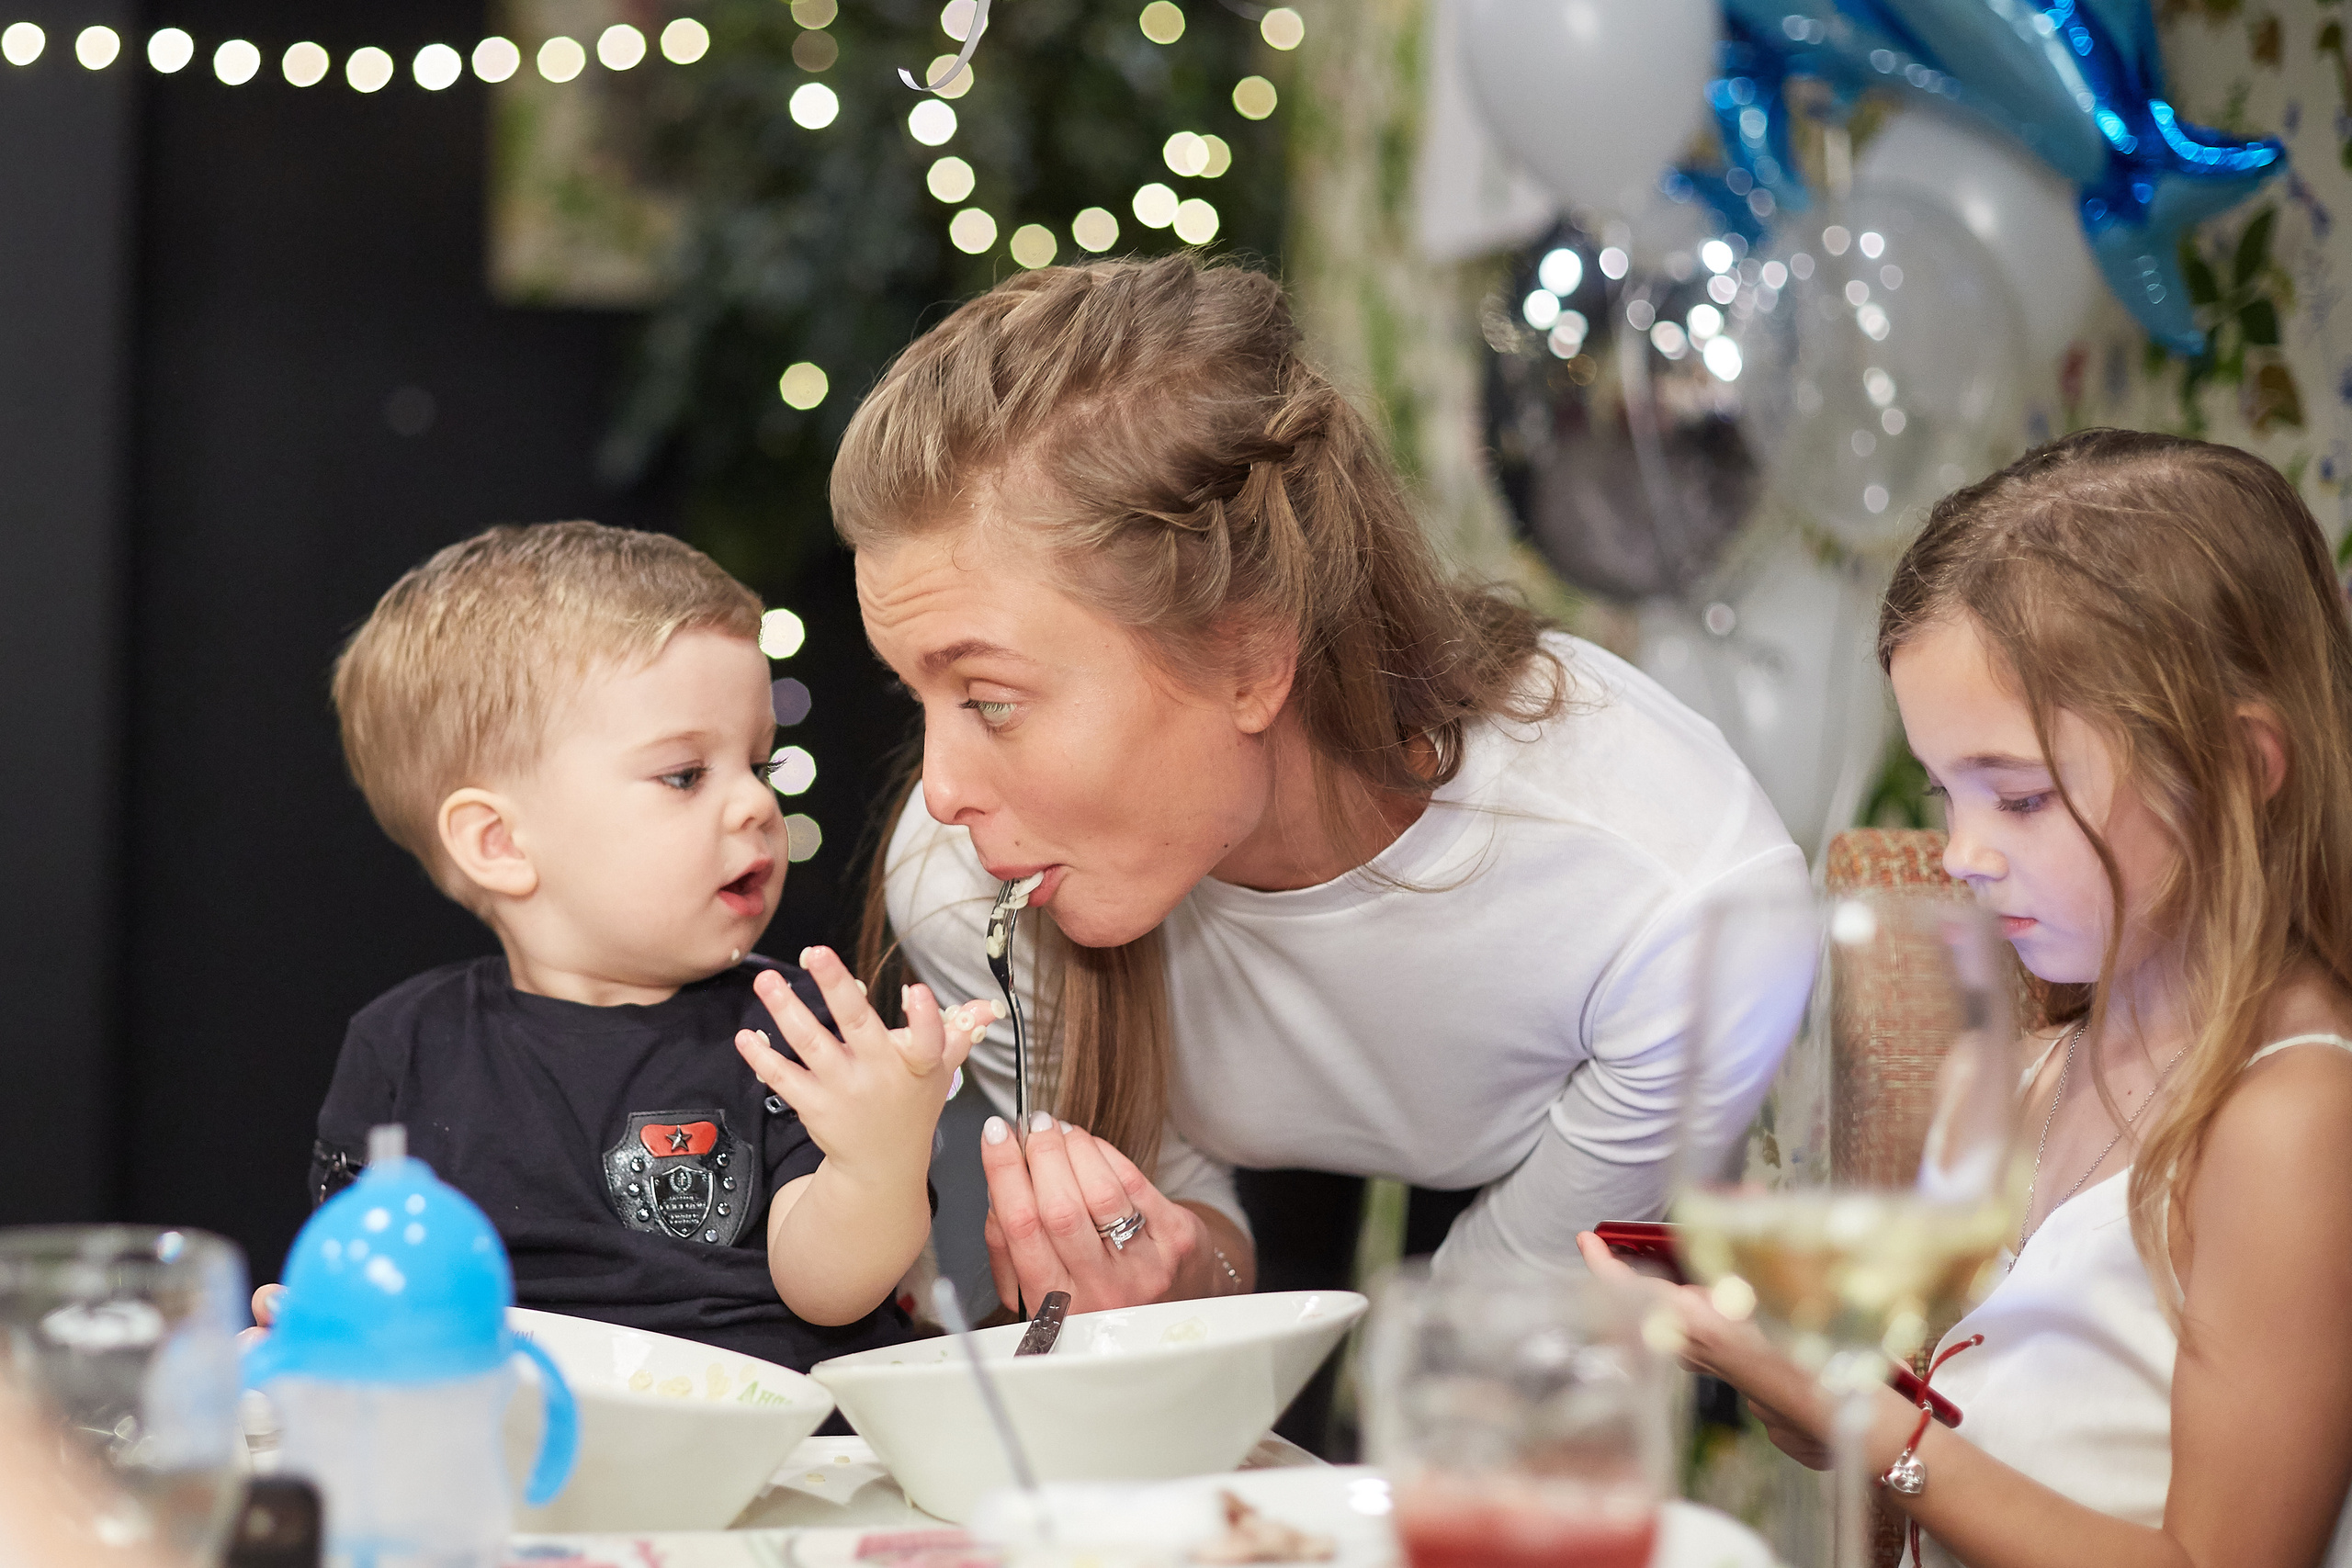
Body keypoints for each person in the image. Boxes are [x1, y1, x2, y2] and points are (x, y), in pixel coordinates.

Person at [832, 254, 1815, 1315]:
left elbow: (1499, 1321)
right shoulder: (960, 885)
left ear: (1250, 656)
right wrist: (1162, 1274)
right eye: (916, 699)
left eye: (990, 700)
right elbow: (1190, 1244)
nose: (937, 796)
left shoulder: (1680, 909)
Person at [1582, 430, 2352, 1567]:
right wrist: (1794, 1379)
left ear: (2240, 766)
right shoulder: (2038, 1066)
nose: (1962, 854)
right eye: (1946, 793)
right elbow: (1979, 1430)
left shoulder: (2289, 1121)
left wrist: (1872, 1422)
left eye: (2022, 799)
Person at [277, 522, 984, 1371]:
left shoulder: (790, 1026)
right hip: (532, 1461)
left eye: (759, 762)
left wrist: (879, 1158)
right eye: (686, 774)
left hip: (789, 1462)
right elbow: (381, 1288)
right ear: (498, 843)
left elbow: (828, 1286)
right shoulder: (405, 1050)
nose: (756, 805)